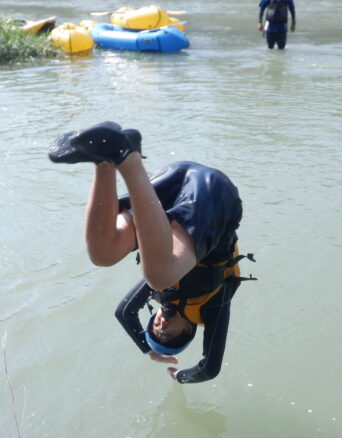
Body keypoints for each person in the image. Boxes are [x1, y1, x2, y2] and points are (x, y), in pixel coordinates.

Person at [48, 122, 255, 383]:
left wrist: (147, 348)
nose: (160, 328)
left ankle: (106, 158)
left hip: (172, 183)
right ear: (189, 329)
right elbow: (210, 368)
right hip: (215, 196)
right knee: (159, 277)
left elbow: (123, 312)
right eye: (168, 335)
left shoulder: (161, 294)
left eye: (155, 330)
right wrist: (179, 374)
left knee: (102, 255)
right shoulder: (212, 307)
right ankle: (131, 158)